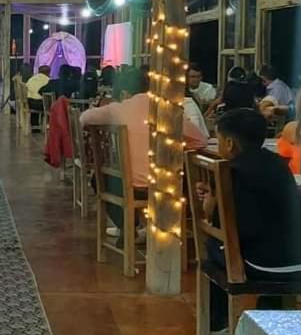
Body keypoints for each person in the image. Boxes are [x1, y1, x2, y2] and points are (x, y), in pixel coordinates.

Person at [196, 108, 301, 327]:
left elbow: (224, 226)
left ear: (229, 143)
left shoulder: (229, 171)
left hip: (264, 265)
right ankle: (270, 318)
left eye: (219, 139)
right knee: (267, 241)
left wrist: (210, 203)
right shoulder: (278, 163)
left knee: (215, 248)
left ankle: (219, 323)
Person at [80, 66, 207, 231]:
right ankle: (175, 230)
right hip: (164, 185)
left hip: (126, 184)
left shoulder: (120, 109)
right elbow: (200, 140)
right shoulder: (167, 110)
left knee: (97, 178)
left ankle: (129, 228)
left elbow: (84, 118)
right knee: (195, 181)